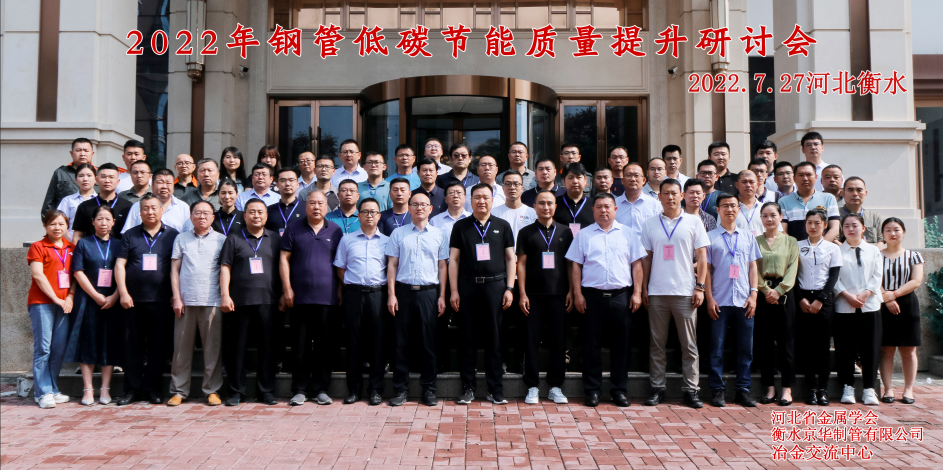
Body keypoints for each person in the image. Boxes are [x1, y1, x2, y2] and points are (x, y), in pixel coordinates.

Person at [566, 193, 645, 407]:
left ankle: (619, 390)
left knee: (622, 345)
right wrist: (577, 293)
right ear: (593, 210)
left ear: (615, 209)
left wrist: (637, 293)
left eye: (607, 206)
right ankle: (592, 390)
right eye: (599, 207)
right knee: (591, 345)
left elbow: (637, 265)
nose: (603, 210)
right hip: (592, 297)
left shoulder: (628, 234)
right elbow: (576, 265)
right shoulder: (584, 235)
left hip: (622, 296)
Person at [640, 179, 710, 408]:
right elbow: (646, 258)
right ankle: (657, 388)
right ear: (659, 196)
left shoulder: (694, 221)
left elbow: (702, 257)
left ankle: (691, 390)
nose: (670, 197)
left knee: (689, 345)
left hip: (685, 292)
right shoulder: (650, 223)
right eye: (665, 193)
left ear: (681, 195)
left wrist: (700, 287)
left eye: (674, 193)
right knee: (656, 344)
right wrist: (644, 288)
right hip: (657, 292)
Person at [450, 184, 516, 405]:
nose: (481, 201)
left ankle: (495, 389)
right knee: (467, 337)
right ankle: (468, 387)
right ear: (470, 200)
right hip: (467, 286)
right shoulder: (461, 226)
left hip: (495, 287)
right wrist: (454, 290)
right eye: (477, 197)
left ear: (492, 200)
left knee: (495, 339)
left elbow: (510, 259)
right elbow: (454, 260)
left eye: (486, 197)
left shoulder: (502, 225)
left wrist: (509, 288)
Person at [280, 191, 343, 406]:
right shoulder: (293, 228)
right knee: (300, 346)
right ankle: (299, 389)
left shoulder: (335, 230)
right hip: (300, 297)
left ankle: (321, 389)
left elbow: (340, 263)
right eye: (312, 203)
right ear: (305, 206)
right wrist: (287, 289)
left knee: (325, 346)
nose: (316, 207)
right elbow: (284, 259)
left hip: (328, 297)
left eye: (320, 203)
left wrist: (340, 289)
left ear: (327, 206)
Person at [115, 194, 179, 405]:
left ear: (161, 210)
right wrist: (123, 293)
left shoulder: (173, 235)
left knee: (158, 347)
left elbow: (178, 267)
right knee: (131, 346)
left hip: (162, 300)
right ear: (140, 212)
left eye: (153, 208)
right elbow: (120, 265)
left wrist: (176, 295)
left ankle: (153, 388)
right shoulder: (130, 235)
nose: (150, 212)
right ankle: (131, 389)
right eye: (145, 208)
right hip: (132, 300)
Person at [386, 191, 449, 406]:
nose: (419, 208)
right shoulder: (398, 233)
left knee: (428, 342)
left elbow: (442, 266)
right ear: (409, 208)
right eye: (415, 204)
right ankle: (400, 389)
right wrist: (392, 295)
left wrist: (442, 295)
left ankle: (429, 389)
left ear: (431, 209)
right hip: (403, 292)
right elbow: (392, 265)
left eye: (424, 204)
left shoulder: (439, 234)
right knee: (401, 342)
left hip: (429, 293)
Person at [219, 198, 280, 406]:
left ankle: (266, 391)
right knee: (237, 348)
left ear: (266, 216)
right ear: (244, 216)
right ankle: (236, 391)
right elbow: (225, 267)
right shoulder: (234, 238)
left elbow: (283, 267)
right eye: (251, 212)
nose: (256, 215)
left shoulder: (274, 239)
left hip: (269, 300)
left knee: (268, 348)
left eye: (260, 212)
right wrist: (225, 295)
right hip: (239, 301)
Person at [704, 193, 762, 408]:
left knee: (746, 349)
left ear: (739, 209)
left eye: (733, 206)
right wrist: (709, 298)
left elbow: (753, 267)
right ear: (717, 210)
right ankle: (717, 390)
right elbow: (706, 271)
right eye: (725, 206)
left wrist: (754, 294)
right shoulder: (709, 237)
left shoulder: (748, 236)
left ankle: (743, 390)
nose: (729, 209)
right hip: (719, 300)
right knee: (716, 349)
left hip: (744, 300)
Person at [167, 201, 227, 407]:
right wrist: (176, 297)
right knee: (181, 350)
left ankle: (212, 390)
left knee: (213, 349)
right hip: (185, 302)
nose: (202, 216)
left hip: (212, 301)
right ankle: (179, 390)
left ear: (213, 217)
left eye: (206, 213)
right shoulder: (181, 238)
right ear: (191, 216)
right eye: (197, 213)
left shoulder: (222, 239)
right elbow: (174, 270)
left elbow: (225, 271)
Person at [517, 190, 574, 404]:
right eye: (541, 203)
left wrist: (571, 290)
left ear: (555, 206)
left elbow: (570, 264)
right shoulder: (526, 232)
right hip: (533, 296)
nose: (546, 207)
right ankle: (532, 386)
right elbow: (521, 265)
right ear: (534, 206)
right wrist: (522, 293)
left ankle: (555, 386)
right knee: (531, 340)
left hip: (559, 294)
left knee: (558, 340)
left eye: (550, 203)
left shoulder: (566, 232)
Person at [334, 198, 389, 406]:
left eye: (373, 212)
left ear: (379, 216)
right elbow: (340, 268)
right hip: (354, 295)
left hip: (378, 295)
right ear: (358, 215)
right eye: (365, 211)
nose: (369, 215)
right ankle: (354, 389)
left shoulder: (387, 241)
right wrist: (351, 286)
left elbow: (391, 268)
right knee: (353, 341)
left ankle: (375, 390)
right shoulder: (347, 240)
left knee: (378, 342)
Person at [66, 205, 122, 406]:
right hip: (88, 300)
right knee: (88, 342)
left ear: (113, 222)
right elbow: (78, 272)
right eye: (99, 219)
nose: (103, 223)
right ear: (92, 222)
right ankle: (88, 388)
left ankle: (105, 388)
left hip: (113, 301)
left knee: (109, 342)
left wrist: (115, 296)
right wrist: (96, 296)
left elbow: (125, 271)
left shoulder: (120, 244)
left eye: (107, 219)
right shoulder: (83, 243)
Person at [833, 214, 883, 406]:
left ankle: (869, 388)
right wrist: (847, 295)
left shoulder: (873, 250)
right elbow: (833, 277)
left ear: (863, 228)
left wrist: (866, 294)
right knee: (845, 348)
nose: (850, 229)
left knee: (870, 347)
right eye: (846, 226)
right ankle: (847, 386)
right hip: (844, 306)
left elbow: (878, 275)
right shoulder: (836, 251)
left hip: (870, 306)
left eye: (855, 225)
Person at [27, 210, 75, 408]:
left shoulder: (71, 248)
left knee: (58, 349)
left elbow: (76, 274)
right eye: (52, 224)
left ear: (67, 226)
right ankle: (42, 392)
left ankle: (53, 389)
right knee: (43, 348)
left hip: (65, 304)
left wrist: (70, 297)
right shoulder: (38, 247)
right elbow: (38, 275)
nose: (57, 228)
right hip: (42, 303)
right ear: (45, 226)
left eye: (61, 224)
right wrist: (56, 299)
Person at [795, 209, 842, 406]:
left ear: (825, 225)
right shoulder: (797, 246)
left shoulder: (833, 248)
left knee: (823, 346)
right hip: (802, 299)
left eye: (817, 223)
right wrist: (800, 299)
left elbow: (833, 276)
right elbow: (793, 275)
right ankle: (811, 389)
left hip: (824, 300)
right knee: (806, 346)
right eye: (809, 222)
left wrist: (821, 299)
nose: (812, 226)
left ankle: (823, 390)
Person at [754, 202, 799, 406]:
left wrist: (779, 290)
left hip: (785, 296)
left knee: (786, 343)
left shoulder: (791, 241)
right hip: (763, 296)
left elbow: (792, 268)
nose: (769, 219)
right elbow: (753, 268)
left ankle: (787, 389)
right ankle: (769, 388)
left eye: (773, 215)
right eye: (765, 215)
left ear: (780, 217)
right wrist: (766, 290)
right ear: (761, 219)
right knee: (765, 343)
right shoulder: (756, 241)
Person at [879, 218, 923, 405]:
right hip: (882, 303)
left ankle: (908, 390)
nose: (892, 233)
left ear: (903, 232)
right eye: (888, 230)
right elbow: (872, 279)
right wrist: (886, 298)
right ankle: (888, 389)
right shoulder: (876, 256)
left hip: (907, 304)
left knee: (909, 349)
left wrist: (894, 295)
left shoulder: (914, 256)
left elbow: (916, 281)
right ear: (882, 234)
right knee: (886, 349)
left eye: (896, 229)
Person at [778, 161, 840, 242]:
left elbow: (835, 229)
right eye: (801, 175)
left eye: (809, 174)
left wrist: (819, 247)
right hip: (794, 249)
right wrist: (797, 248)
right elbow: (782, 231)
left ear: (816, 177)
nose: (805, 178)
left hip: (823, 248)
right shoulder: (783, 201)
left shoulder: (829, 198)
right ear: (794, 178)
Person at [71, 163, 133, 242]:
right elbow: (77, 235)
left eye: (111, 177)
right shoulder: (84, 206)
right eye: (103, 177)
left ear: (118, 181)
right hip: (91, 249)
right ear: (96, 180)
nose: (107, 181)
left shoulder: (128, 206)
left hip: (120, 249)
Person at [42, 138, 96, 221]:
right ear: (71, 153)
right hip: (66, 225)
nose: (82, 154)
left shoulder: (100, 173)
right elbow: (49, 204)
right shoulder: (61, 173)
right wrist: (52, 223)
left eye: (86, 150)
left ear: (92, 153)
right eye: (78, 150)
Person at [122, 168, 191, 233]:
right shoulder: (138, 206)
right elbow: (128, 234)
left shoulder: (184, 207)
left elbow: (189, 234)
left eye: (168, 183)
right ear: (152, 185)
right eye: (160, 182)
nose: (164, 186)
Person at [491, 170, 537, 246]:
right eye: (508, 184)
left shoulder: (532, 213)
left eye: (516, 184)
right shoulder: (493, 213)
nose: (512, 187)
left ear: (522, 188)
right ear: (503, 188)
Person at [615, 163, 661, 233]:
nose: (633, 179)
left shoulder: (655, 205)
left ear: (644, 180)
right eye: (629, 175)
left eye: (636, 175)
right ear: (622, 180)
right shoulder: (614, 204)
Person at [56, 163, 97, 241]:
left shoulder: (100, 201)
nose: (85, 179)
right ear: (76, 180)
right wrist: (70, 242)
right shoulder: (68, 200)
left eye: (89, 175)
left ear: (95, 179)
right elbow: (60, 223)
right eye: (81, 176)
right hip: (71, 241)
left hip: (94, 243)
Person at [839, 177, 884, 246]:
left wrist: (871, 251)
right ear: (842, 193)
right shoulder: (835, 215)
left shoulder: (874, 217)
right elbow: (833, 240)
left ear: (865, 194)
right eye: (850, 190)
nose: (855, 194)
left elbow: (881, 241)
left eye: (859, 190)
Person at [553, 162, 594, 236]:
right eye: (570, 177)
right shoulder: (554, 203)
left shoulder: (594, 204)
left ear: (585, 180)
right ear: (564, 181)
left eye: (578, 177)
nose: (575, 181)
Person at [265, 167, 302, 235]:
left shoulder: (306, 208)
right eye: (283, 180)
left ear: (297, 184)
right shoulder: (269, 210)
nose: (287, 184)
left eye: (291, 180)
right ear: (277, 185)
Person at [730, 170, 764, 236]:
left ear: (757, 185)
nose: (748, 185)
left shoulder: (765, 208)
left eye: (751, 182)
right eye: (744, 182)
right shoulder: (729, 210)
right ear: (736, 185)